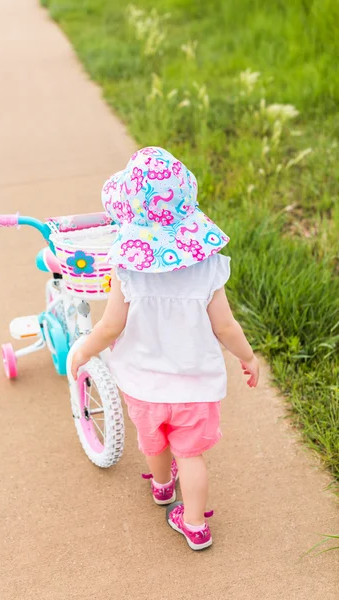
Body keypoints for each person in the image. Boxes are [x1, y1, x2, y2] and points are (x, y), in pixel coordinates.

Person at [72, 147, 259, 551]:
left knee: (154, 443)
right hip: (195, 387)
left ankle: (160, 486)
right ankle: (195, 525)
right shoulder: (208, 267)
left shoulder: (127, 270)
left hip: (143, 384)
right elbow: (225, 326)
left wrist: (82, 351)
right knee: (191, 456)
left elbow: (109, 327)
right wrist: (247, 357)